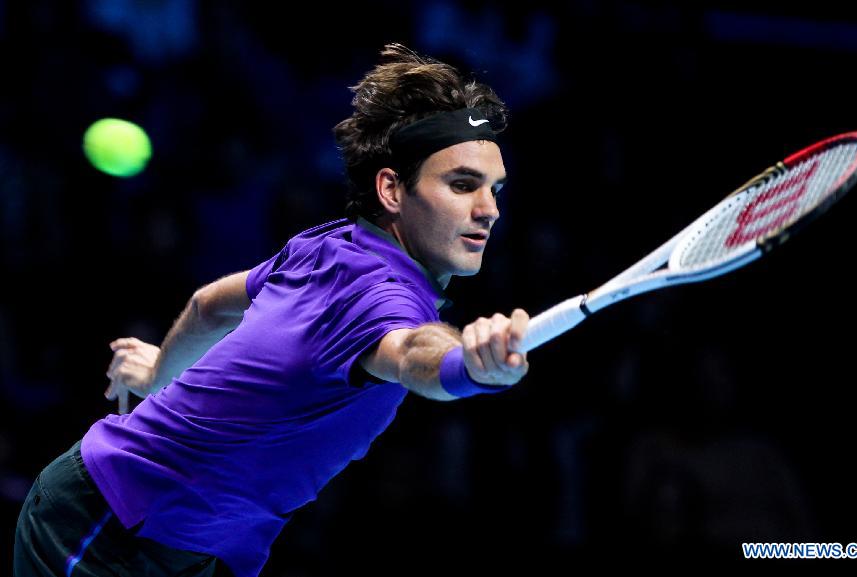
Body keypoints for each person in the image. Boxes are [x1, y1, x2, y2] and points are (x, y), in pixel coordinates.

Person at [14, 43, 529, 577]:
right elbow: (410, 351)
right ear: (392, 189)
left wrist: (158, 373)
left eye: (495, 189)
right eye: (462, 184)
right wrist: (467, 367)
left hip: (186, 547)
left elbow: (208, 306)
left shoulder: (331, 246)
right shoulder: (375, 295)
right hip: (106, 529)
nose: (489, 209)